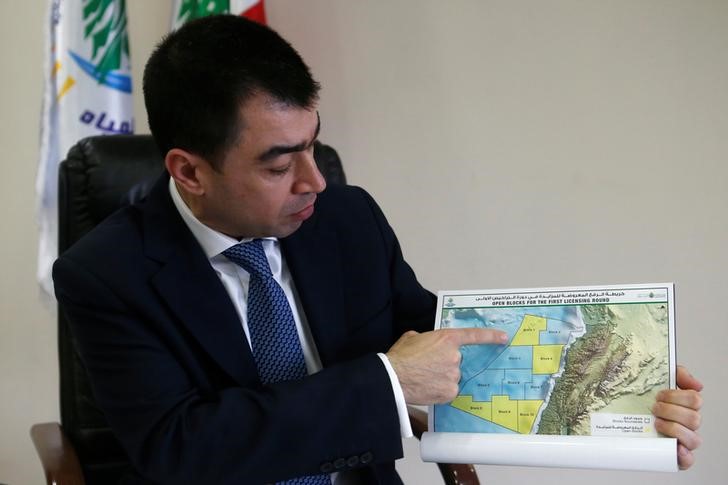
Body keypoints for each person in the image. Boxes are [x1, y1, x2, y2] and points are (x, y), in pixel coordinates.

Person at [52, 15, 703, 485]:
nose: (314, 179)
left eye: (314, 143)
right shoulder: (104, 274)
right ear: (190, 171)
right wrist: (388, 380)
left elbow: (449, 352)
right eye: (280, 163)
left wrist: (626, 406)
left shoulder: (345, 217)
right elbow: (182, 448)